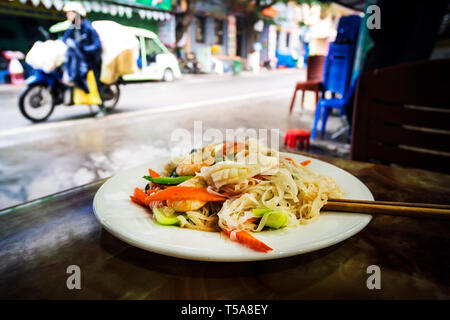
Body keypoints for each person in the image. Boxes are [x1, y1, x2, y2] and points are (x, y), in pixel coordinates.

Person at [62, 1, 106, 117]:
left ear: (77, 14)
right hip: (81, 61)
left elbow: (97, 46)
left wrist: (84, 48)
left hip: (93, 61)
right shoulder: (75, 26)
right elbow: (65, 39)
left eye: (69, 13)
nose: (67, 15)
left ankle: (102, 108)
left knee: (96, 85)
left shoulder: (88, 27)